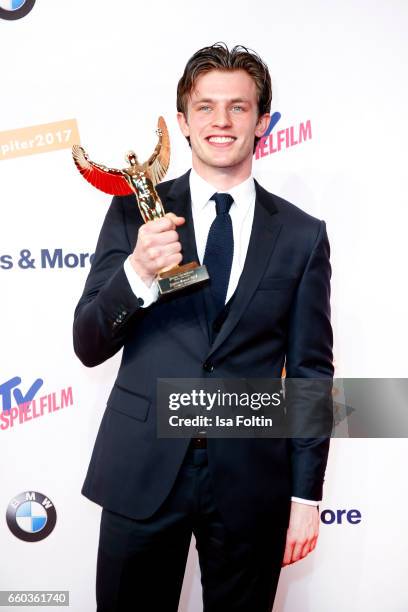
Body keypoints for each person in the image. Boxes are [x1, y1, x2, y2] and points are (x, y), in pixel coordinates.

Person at [73, 42, 333, 612]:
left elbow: (310, 372)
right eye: (206, 107)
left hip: (251, 481)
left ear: (262, 122)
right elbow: (88, 343)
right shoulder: (132, 213)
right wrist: (137, 271)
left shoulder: (301, 234)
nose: (221, 121)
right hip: (142, 469)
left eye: (238, 108)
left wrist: (305, 494)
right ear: (184, 122)